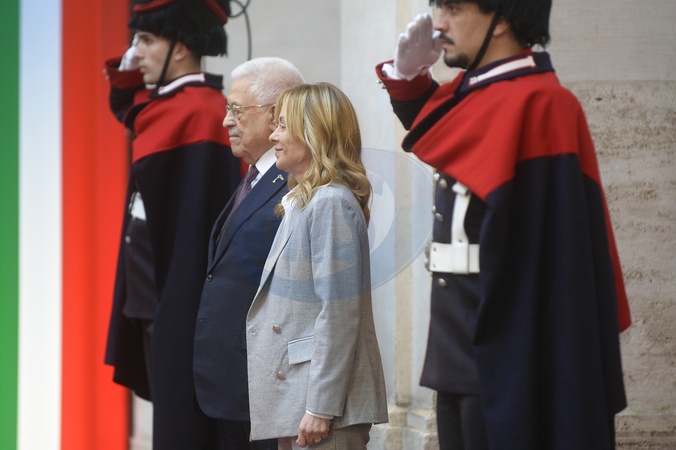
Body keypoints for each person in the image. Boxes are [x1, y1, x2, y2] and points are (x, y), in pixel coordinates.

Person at [375, 1, 632, 449]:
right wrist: (409, 78)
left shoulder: (544, 103)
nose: (438, 24)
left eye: (454, 8)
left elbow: (554, 260)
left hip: (509, 350)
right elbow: (441, 131)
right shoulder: (472, 95)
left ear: (503, 19)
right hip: (454, 346)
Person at [103, 0, 240, 448]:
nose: (136, 51)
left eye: (146, 40)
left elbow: (195, 227)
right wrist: (127, 79)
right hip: (151, 294)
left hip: (178, 299)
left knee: (182, 429)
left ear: (180, 48)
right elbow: (133, 110)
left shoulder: (200, 110)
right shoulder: (173, 103)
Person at [245, 83, 389, 449]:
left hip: (324, 410)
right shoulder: (306, 201)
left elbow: (339, 313)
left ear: (314, 132)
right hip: (301, 400)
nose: (273, 136)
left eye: (282, 125)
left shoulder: (330, 203)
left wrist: (320, 407)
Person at [193, 57, 305, 450]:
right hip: (232, 383)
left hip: (268, 386)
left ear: (275, 114)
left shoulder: (297, 183)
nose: (226, 121)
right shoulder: (255, 178)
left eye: (237, 110)